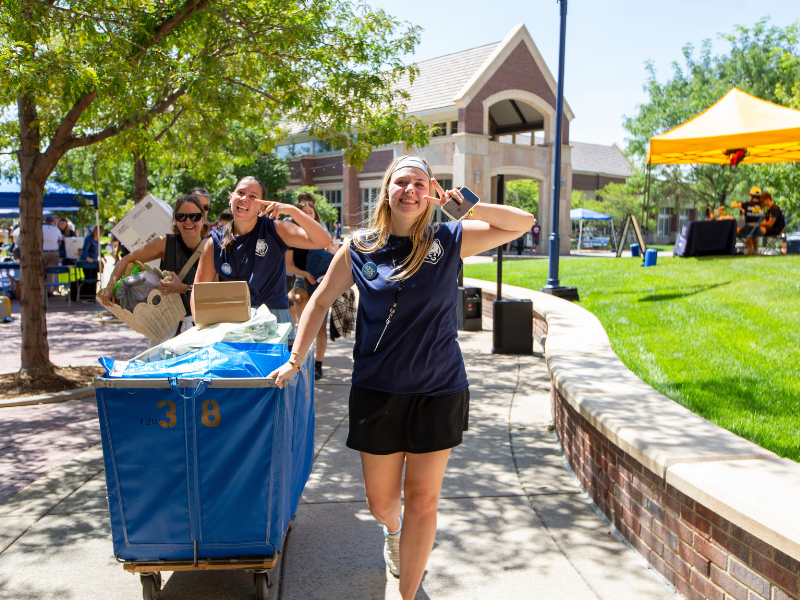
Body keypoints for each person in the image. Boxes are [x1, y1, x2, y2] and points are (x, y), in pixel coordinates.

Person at [269, 156, 534, 600]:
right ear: (387, 190)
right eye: (401, 183)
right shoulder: (359, 247)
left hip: (439, 387)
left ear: (429, 189)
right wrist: (296, 360)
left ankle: (407, 593)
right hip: (377, 390)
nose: (409, 191)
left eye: (418, 183)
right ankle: (392, 530)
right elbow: (317, 302)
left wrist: (466, 204)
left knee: (424, 499)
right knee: (381, 503)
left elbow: (521, 222)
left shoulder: (449, 238)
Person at [193, 176, 331, 336]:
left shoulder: (276, 230)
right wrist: (204, 332)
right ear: (231, 199)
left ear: (261, 206)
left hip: (274, 323)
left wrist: (292, 210)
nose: (244, 199)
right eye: (240, 193)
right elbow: (199, 294)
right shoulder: (215, 242)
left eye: (253, 196)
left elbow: (323, 240)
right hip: (231, 325)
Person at [100, 194, 209, 339]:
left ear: (203, 219)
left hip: (200, 329)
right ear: (175, 220)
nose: (188, 221)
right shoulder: (164, 242)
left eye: (194, 216)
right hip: (166, 328)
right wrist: (109, 288)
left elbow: (215, 291)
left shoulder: (212, 247)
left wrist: (182, 288)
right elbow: (126, 260)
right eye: (181, 216)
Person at [285, 201, 335, 378]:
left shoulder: (321, 235)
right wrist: (305, 273)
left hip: (321, 284)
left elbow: (333, 258)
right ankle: (301, 363)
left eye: (310, 212)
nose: (307, 215)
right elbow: (288, 265)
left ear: (315, 215)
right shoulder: (291, 235)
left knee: (320, 328)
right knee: (304, 326)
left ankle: (318, 365)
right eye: (303, 212)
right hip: (301, 284)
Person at [42, 215, 63, 292]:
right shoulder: (56, 230)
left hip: (42, 252)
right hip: (53, 252)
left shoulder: (40, 228)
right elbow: (59, 241)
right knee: (51, 273)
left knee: (40, 272)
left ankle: (41, 290)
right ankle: (49, 291)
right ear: (52, 222)